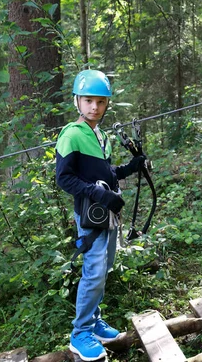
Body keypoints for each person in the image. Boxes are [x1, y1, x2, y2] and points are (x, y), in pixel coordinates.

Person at [55, 69, 144, 361]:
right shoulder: (71, 134)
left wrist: (130, 168)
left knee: (103, 269)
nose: (94, 106)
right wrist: (99, 194)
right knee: (93, 272)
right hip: (90, 215)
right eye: (88, 100)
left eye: (101, 101)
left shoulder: (101, 135)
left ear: (106, 105)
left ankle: (93, 323)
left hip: (107, 213)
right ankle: (80, 334)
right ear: (77, 102)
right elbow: (65, 178)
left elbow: (106, 173)